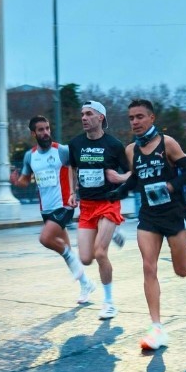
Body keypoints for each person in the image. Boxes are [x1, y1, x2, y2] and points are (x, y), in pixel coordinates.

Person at [109, 99, 186, 350]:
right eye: (131, 118)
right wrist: (117, 193)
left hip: (173, 214)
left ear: (151, 118)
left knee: (182, 270)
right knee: (148, 267)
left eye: (140, 117)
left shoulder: (169, 144)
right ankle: (156, 328)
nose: (135, 122)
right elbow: (136, 179)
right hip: (149, 216)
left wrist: (171, 185)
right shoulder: (131, 150)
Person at [13, 116, 98, 305]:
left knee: (46, 239)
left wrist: (74, 191)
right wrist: (16, 181)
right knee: (65, 250)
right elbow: (26, 180)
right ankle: (86, 284)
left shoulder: (62, 151)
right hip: (46, 209)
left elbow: (75, 168)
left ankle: (80, 273)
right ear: (33, 133)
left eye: (47, 128)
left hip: (64, 204)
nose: (45, 133)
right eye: (41, 130)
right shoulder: (30, 156)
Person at [67, 100, 131, 320]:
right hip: (86, 206)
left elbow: (133, 173)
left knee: (100, 252)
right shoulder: (75, 144)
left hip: (108, 203)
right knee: (85, 259)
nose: (84, 118)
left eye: (89, 114)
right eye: (82, 114)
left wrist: (119, 177)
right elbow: (73, 168)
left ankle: (109, 302)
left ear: (100, 118)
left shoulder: (114, 145)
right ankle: (113, 232)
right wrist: (73, 192)